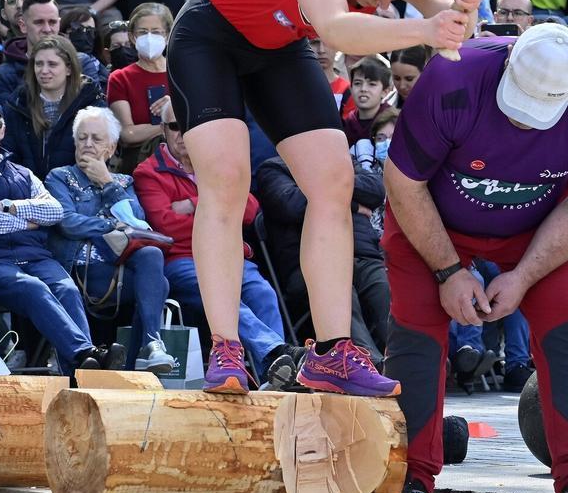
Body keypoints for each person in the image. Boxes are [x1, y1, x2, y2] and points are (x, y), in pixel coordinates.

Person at [167, 0, 485, 396]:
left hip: (277, 49)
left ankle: (333, 353)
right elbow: (338, 30)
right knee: (227, 178)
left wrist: (465, 4)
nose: (386, 0)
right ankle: (226, 349)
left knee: (334, 182)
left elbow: (457, 22)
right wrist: (425, 30)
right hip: (209, 40)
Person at [382, 26, 568, 493]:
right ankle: (407, 476)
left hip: (540, 232)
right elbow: (403, 183)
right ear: (508, 61)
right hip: (431, 218)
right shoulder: (453, 76)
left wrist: (525, 276)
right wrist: (449, 271)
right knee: (416, 335)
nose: (526, 123)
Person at [0, 94, 124, 375]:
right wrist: (28, 222)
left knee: (67, 289)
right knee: (33, 288)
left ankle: (78, 369)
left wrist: (9, 206)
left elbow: (54, 211)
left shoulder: (23, 173)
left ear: (3, 130)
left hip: (36, 257)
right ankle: (85, 359)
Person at [134, 103, 304, 383]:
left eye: (189, 124)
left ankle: (275, 380)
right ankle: (274, 353)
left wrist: (193, 204)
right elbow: (166, 226)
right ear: (164, 131)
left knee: (263, 293)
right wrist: (220, 211)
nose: (183, 133)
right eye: (175, 126)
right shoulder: (148, 173)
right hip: (182, 260)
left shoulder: (216, 164)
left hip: (228, 255)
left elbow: (249, 210)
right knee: (225, 297)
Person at [45, 106, 174, 372]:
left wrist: (107, 183)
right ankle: (136, 362)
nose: (88, 144)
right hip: (79, 273)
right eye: (82, 138)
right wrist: (112, 224)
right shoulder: (59, 177)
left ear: (112, 148)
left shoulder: (123, 182)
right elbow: (67, 222)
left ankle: (152, 345)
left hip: (118, 271)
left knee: (153, 259)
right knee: (158, 284)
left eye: (96, 139)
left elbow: (138, 225)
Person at [257, 153, 391, 365]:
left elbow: (375, 189)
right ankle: (371, 363)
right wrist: (352, 204)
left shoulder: (341, 157)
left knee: (385, 291)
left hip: (363, 254)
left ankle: (406, 360)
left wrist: (317, 187)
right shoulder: (273, 168)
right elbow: (292, 204)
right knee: (339, 292)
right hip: (310, 265)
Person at [3, 35, 106, 179]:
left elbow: (98, 155)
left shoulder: (91, 103)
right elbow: (8, 155)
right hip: (27, 190)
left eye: (52, 64)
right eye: (39, 64)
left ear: (69, 68)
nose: (44, 71)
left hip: (76, 190)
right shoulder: (17, 103)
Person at [107, 2, 170, 172]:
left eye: (156, 32)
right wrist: (171, 124)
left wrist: (174, 106)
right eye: (142, 32)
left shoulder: (182, 73)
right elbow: (128, 135)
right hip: (139, 164)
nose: (149, 37)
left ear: (167, 35)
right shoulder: (121, 78)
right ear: (133, 37)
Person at [343, 56, 393, 145]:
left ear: (385, 92)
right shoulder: (346, 124)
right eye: (357, 83)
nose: (363, 89)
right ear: (351, 88)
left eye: (372, 84)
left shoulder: (394, 122)